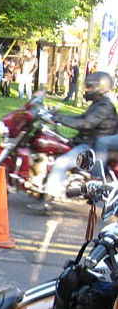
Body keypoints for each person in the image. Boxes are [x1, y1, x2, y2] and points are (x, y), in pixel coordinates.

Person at [29, 71, 118, 214]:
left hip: (91, 146)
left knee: (61, 163)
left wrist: (60, 119)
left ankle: (47, 203)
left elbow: (87, 123)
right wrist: (56, 115)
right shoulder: (98, 103)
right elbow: (81, 116)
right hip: (88, 142)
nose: (86, 90)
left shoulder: (104, 106)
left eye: (89, 87)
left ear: (99, 88)